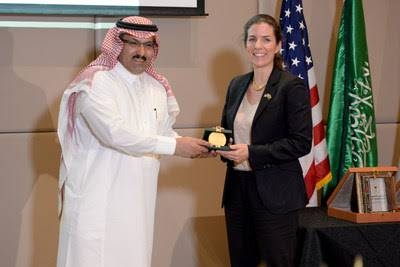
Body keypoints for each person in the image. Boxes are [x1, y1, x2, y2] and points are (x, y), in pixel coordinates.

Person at [56, 16, 210, 267]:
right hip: (96, 202)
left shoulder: (156, 87)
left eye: (149, 45)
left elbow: (162, 133)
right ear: (117, 44)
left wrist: (193, 146)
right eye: (133, 43)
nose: (141, 52)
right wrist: (175, 147)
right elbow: (114, 133)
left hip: (138, 203)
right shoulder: (95, 82)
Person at [216, 14, 312, 267]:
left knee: (278, 262)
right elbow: (227, 130)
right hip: (238, 191)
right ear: (246, 44)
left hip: (275, 193)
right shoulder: (236, 84)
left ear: (279, 45)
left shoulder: (292, 87)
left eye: (266, 39)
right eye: (252, 39)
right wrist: (215, 145)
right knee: (241, 261)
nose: (258, 46)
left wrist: (250, 152)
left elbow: (301, 142)